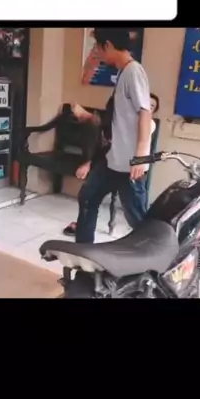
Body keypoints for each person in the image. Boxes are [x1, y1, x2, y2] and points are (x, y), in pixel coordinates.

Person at [68, 29, 152, 244]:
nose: (97, 52)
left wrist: (141, 155)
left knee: (138, 219)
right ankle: (84, 251)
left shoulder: (133, 72)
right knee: (88, 197)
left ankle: (158, 257)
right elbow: (117, 120)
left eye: (98, 47)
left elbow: (145, 112)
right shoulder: (124, 73)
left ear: (108, 45)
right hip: (113, 160)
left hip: (130, 165)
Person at [62, 93, 159, 237]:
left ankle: (152, 243)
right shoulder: (115, 122)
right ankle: (83, 242)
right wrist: (89, 163)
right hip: (108, 166)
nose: (146, 108)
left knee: (136, 216)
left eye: (151, 107)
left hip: (131, 171)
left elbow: (127, 133)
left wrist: (89, 116)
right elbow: (105, 146)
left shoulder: (148, 124)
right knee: (87, 198)